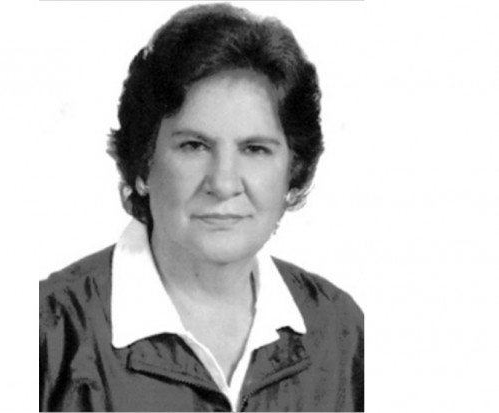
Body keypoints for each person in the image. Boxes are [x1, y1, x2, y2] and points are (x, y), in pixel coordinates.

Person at [39, 3, 363, 412]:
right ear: (143, 165)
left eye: (255, 149)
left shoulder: (339, 331)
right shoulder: (51, 332)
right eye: (194, 146)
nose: (224, 183)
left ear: (292, 172)